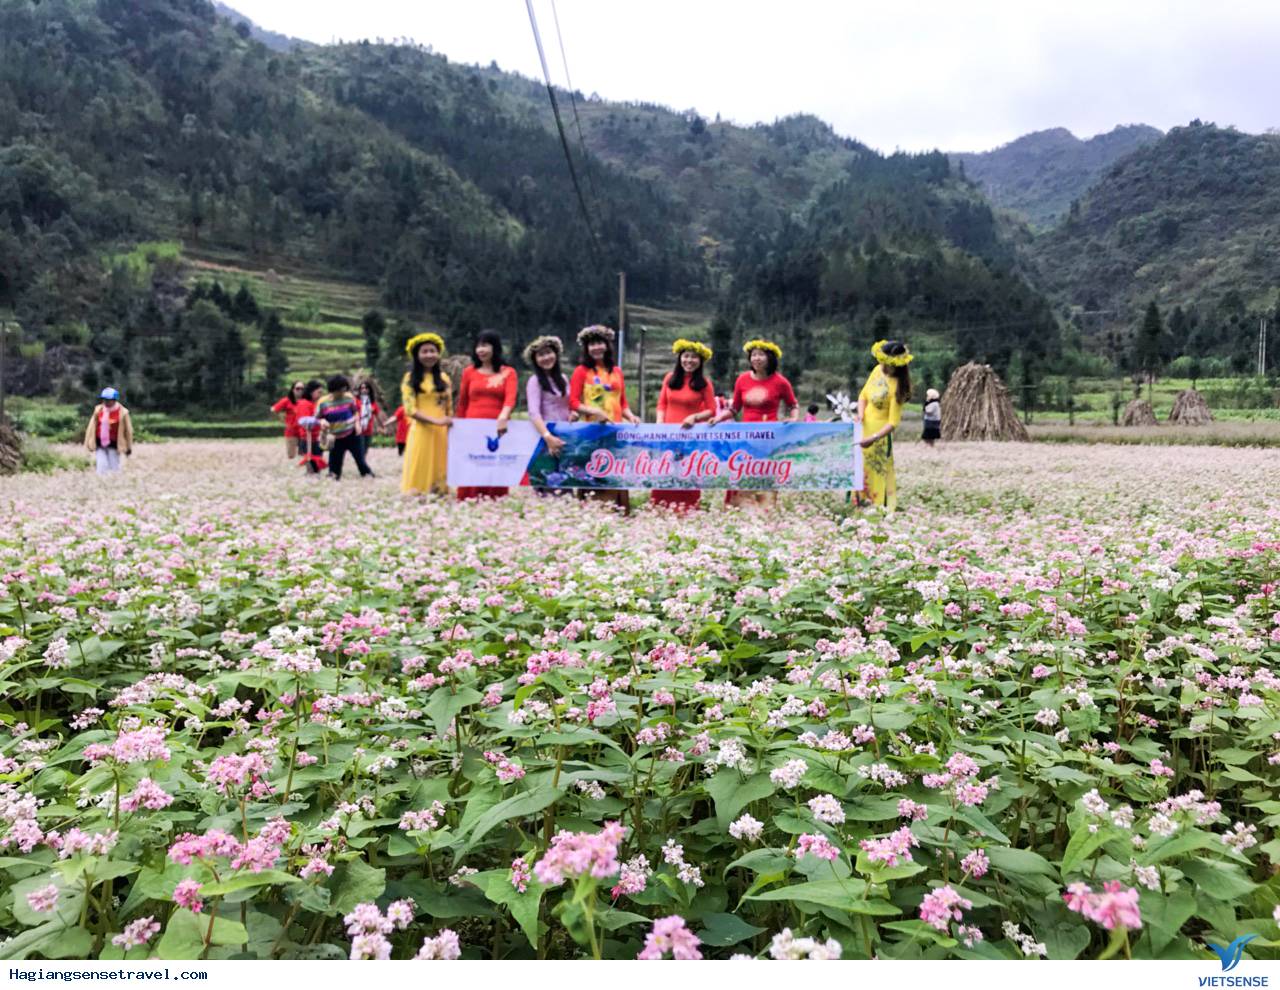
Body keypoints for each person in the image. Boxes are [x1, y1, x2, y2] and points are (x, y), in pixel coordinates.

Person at [712, 338, 798, 507]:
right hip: (745, 437)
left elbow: (793, 404)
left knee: (765, 474)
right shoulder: (742, 380)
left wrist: (793, 418)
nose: (756, 359)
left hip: (769, 437)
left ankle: (765, 510)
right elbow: (735, 408)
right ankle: (738, 511)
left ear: (770, 358)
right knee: (742, 472)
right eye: (753, 355)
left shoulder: (780, 382)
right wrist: (718, 418)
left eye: (761, 355)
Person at [569, 324, 640, 513]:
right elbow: (573, 402)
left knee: (615, 473)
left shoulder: (616, 371)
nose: (596, 347)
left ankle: (618, 512)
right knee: (594, 471)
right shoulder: (581, 371)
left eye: (600, 343)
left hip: (615, 432)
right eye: (592, 344)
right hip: (591, 432)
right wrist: (594, 411)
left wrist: (631, 416)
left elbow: (622, 402)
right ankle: (593, 511)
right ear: (586, 348)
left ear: (607, 345)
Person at [652, 339, 715, 511]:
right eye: (686, 356)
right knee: (666, 471)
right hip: (668, 435)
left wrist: (694, 417)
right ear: (680, 358)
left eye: (694, 357)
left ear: (700, 361)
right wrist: (659, 423)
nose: (689, 361)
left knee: (687, 473)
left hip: (690, 436)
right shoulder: (669, 379)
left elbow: (712, 410)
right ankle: (660, 509)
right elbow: (662, 404)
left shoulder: (704, 383)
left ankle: (688, 510)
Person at [455, 329, 518, 501]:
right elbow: (463, 402)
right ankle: (468, 499)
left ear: (495, 347)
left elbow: (510, 398)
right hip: (472, 425)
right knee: (473, 463)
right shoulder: (469, 372)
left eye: (485, 345)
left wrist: (503, 416)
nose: (480, 350)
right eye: (478, 346)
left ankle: (494, 501)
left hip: (498, 427)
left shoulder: (508, 372)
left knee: (495, 464)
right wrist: (459, 428)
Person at [855, 339, 913, 511]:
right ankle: (858, 506)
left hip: (878, 435)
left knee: (877, 472)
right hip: (863, 428)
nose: (883, 366)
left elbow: (893, 422)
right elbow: (863, 395)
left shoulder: (898, 387)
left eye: (888, 364)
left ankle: (877, 508)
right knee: (860, 470)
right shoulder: (877, 371)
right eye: (882, 362)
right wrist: (859, 416)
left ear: (898, 365)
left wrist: (874, 438)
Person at [400, 332, 452, 496]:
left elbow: (448, 407)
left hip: (442, 431)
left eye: (433, 351)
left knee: (441, 462)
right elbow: (410, 409)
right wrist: (435, 421)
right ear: (416, 355)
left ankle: (440, 492)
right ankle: (417, 494)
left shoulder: (444, 378)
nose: (429, 355)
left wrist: (449, 422)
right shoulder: (410, 378)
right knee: (421, 462)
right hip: (422, 429)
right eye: (425, 351)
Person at [523, 334, 572, 496]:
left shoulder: (563, 379)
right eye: (541, 355)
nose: (546, 358)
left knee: (566, 483)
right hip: (545, 439)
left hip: (564, 438)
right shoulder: (534, 381)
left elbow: (568, 406)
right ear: (535, 359)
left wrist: (574, 415)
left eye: (549, 353)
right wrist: (547, 436)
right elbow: (533, 412)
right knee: (547, 482)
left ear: (556, 354)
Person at [315, 374, 374, 481]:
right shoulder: (323, 402)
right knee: (334, 464)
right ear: (332, 390)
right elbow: (317, 418)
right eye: (340, 390)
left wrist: (357, 424)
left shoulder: (349, 398)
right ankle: (333, 478)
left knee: (360, 460)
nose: (343, 392)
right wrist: (322, 421)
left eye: (344, 389)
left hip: (352, 434)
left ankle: (368, 476)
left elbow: (355, 412)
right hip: (335, 437)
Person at [83, 387, 133, 475]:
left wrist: (129, 447)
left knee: (114, 467)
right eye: (104, 399)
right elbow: (91, 428)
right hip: (100, 443)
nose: (106, 402)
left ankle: (114, 484)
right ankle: (101, 485)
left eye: (109, 400)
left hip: (114, 444)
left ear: (114, 400)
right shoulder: (98, 410)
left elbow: (128, 431)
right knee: (101, 466)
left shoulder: (123, 412)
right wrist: (88, 443)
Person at [294, 380, 327, 474]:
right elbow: (304, 420)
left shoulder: (316, 404)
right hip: (308, 439)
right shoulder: (304, 404)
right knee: (313, 464)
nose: (321, 395)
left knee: (316, 464)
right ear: (311, 392)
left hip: (316, 438)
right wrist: (320, 421)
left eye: (321, 392)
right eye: (319, 392)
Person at [354, 377, 388, 461]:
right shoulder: (356, 401)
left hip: (368, 429)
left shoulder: (373, 404)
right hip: (358, 429)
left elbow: (378, 416)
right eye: (362, 388)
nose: (364, 390)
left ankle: (362, 463)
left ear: (369, 390)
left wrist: (383, 426)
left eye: (366, 388)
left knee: (365, 449)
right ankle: (362, 464)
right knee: (360, 449)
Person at [270, 381, 306, 459]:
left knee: (304, 455)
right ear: (293, 390)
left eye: (302, 389)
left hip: (304, 431)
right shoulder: (286, 400)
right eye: (297, 388)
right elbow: (273, 409)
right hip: (291, 432)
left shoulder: (307, 401)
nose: (300, 391)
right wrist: (281, 419)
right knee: (291, 455)